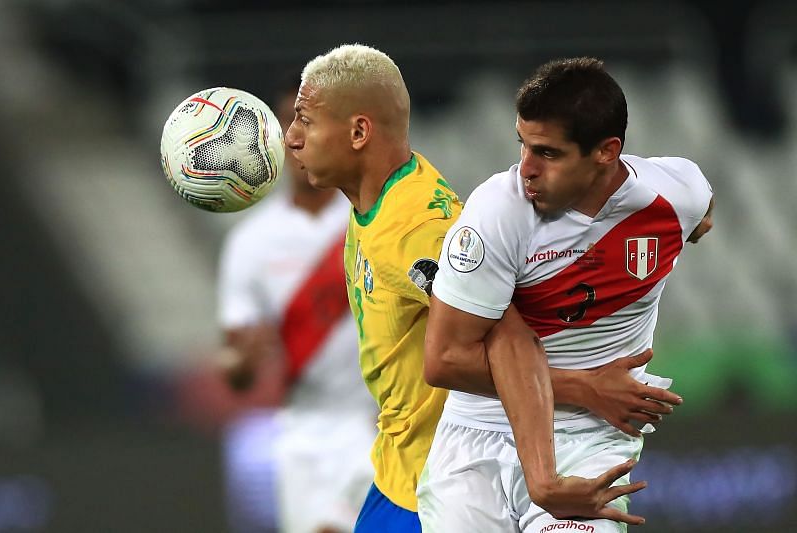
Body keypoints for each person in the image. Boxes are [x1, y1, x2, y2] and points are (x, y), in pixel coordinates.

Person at [285, 44, 677, 533]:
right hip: (397, 471)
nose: (292, 137)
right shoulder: (379, 201)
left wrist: (584, 389)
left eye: (305, 120)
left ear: (359, 132)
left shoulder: (419, 230)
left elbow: (508, 336)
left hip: (440, 489)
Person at [418, 57, 714, 532]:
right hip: (478, 435)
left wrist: (694, 229)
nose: (526, 169)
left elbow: (701, 209)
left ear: (606, 151)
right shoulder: (498, 213)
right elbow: (445, 361)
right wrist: (585, 388)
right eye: (523, 146)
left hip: (589, 439)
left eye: (548, 153)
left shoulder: (675, 193)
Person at [217, 76, 377, 533]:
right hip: (303, 433)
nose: (297, 137)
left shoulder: (374, 222)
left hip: (379, 423)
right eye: (289, 123)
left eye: (309, 122)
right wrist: (242, 358)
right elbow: (234, 367)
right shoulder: (251, 241)